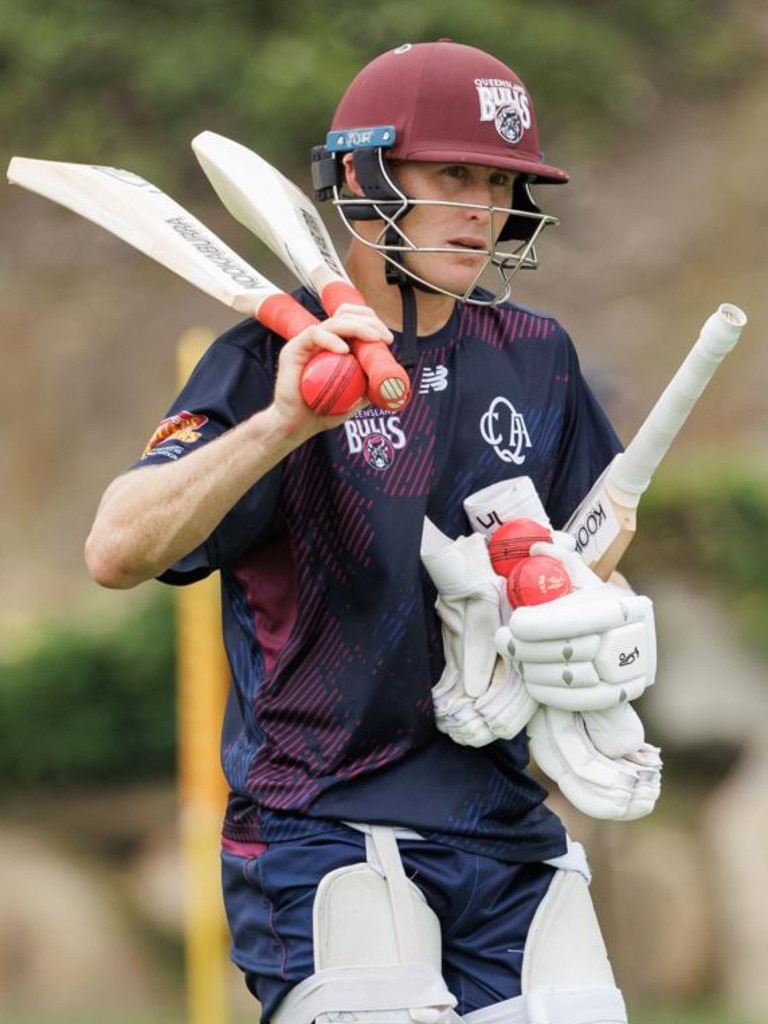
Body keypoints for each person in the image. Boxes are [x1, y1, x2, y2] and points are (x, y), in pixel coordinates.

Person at [85, 40, 661, 1024]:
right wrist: (285, 423)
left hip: (504, 828)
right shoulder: (269, 355)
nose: (481, 207)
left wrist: (569, 600)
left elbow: (587, 543)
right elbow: (115, 548)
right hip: (321, 821)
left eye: (497, 180)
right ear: (363, 177)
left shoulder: (538, 357)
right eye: (452, 175)